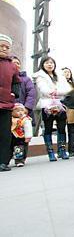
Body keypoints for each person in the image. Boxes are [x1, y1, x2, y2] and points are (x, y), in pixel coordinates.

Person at [34, 56, 71, 161]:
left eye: (51, 63)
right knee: (48, 128)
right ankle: (50, 152)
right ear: (42, 64)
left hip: (60, 105)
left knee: (62, 128)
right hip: (47, 105)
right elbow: (44, 90)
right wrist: (57, 91)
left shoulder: (60, 76)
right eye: (47, 63)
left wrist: (56, 92)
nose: (50, 65)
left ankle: (62, 150)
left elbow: (67, 90)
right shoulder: (39, 76)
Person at [0, 33, 21, 172]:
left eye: (7, 47)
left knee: (5, 134)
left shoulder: (12, 66)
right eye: (1, 46)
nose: (4, 49)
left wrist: (14, 94)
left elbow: (16, 82)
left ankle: (3, 162)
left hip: (6, 104)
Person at [11, 55, 36, 126]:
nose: (16, 65)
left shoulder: (26, 79)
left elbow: (31, 94)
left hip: (23, 110)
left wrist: (27, 107)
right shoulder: (5, 78)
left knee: (23, 131)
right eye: (13, 63)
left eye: (18, 63)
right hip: (8, 110)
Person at [62, 67, 74, 156]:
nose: (67, 73)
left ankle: (71, 150)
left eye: (69, 72)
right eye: (65, 72)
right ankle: (62, 150)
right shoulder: (59, 84)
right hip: (61, 109)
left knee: (71, 131)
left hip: (72, 110)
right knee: (61, 131)